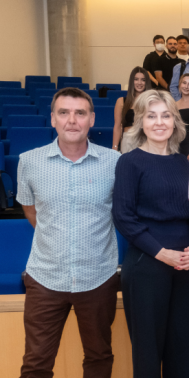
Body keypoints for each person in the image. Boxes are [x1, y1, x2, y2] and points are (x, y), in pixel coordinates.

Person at [17, 88, 121, 378]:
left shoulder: (114, 162)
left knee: (99, 357)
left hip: (98, 276)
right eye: (64, 113)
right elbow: (30, 211)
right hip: (45, 277)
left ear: (92, 119)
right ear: (53, 119)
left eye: (80, 113)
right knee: (36, 363)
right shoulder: (29, 162)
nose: (71, 120)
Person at [113, 89, 189, 378]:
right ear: (140, 122)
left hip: (185, 267)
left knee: (188, 351)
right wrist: (163, 254)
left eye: (166, 115)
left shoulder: (183, 164)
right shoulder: (129, 162)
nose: (159, 122)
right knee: (148, 353)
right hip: (146, 266)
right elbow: (124, 218)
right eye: (151, 116)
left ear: (176, 122)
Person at [113, 66, 152, 151]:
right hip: (128, 139)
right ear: (132, 81)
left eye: (143, 80)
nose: (139, 83)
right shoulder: (121, 101)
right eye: (136, 79)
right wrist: (115, 148)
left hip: (146, 140)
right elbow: (117, 126)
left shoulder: (152, 102)